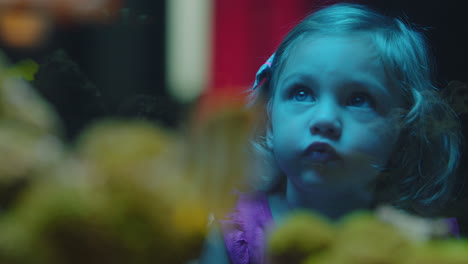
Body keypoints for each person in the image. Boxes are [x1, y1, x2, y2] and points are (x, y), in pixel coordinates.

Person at [199, 3, 462, 264]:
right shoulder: (227, 233)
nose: (324, 119)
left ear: (404, 128)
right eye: (301, 93)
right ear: (268, 117)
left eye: (358, 99)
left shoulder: (419, 243)